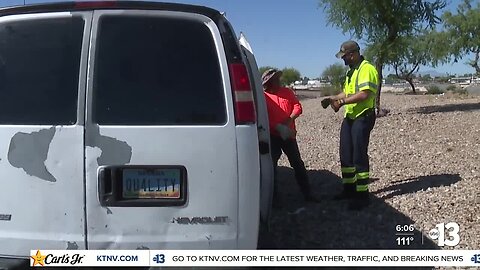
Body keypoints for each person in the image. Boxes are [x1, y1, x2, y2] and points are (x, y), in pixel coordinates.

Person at [322, 40, 379, 210]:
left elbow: (364, 94)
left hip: (363, 116)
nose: (343, 59)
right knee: (346, 154)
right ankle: (349, 190)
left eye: (344, 56)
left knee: (358, 156)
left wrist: (342, 102)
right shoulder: (351, 71)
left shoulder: (366, 69)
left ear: (352, 54)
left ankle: (362, 196)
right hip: (351, 117)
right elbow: (347, 92)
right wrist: (333, 98)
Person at [262, 68, 319, 206]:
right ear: (268, 82)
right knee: (271, 166)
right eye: (275, 79)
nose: (278, 81)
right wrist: (277, 127)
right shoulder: (263, 97)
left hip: (289, 136)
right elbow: (262, 118)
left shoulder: (287, 92)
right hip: (273, 136)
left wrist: (288, 121)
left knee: (297, 164)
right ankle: (274, 199)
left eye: (278, 79)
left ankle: (307, 193)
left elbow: (297, 107)